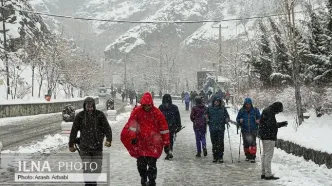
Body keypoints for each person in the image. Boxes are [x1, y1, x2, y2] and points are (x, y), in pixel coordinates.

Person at [121, 92, 170, 186]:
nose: (147, 107)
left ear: (151, 104)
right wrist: (133, 137)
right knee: (141, 165)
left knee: (152, 165)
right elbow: (132, 125)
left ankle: (152, 181)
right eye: (145, 105)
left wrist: (166, 143)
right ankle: (143, 177)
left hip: (154, 144)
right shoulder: (137, 112)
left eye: (148, 105)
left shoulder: (157, 113)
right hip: (141, 144)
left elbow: (164, 128)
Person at [69, 97, 112, 186]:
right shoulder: (80, 116)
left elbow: (107, 128)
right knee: (87, 167)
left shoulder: (99, 115)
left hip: (97, 146)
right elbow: (74, 130)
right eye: (88, 107)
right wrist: (71, 144)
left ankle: (93, 181)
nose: (90, 109)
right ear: (85, 106)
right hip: (84, 147)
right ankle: (89, 183)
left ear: (94, 106)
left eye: (91, 106)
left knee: (97, 168)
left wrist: (109, 139)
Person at [259, 102, 287, 180]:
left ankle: (264, 173)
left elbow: (268, 124)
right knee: (268, 155)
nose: (278, 112)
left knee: (264, 155)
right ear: (277, 108)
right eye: (278, 111)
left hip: (265, 136)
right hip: (269, 137)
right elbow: (271, 125)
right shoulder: (270, 112)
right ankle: (268, 174)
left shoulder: (267, 110)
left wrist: (280, 124)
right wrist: (281, 124)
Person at [206, 96, 230, 163]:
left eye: (218, 101)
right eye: (215, 101)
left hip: (221, 128)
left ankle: (220, 156)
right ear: (213, 101)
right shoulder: (210, 108)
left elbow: (227, 115)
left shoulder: (222, 108)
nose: (216, 102)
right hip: (212, 128)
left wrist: (227, 119)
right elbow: (205, 115)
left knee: (220, 142)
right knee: (214, 143)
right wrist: (206, 118)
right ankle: (215, 156)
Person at [236, 98, 260, 163]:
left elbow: (259, 118)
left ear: (251, 104)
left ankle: (253, 156)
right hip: (245, 129)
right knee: (246, 143)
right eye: (246, 104)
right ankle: (247, 155)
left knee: (253, 143)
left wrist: (258, 121)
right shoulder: (241, 111)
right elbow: (237, 119)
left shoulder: (255, 110)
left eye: (249, 104)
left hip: (253, 129)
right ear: (244, 104)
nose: (247, 105)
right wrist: (239, 120)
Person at [159, 94, 182, 160]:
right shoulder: (174, 107)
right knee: (170, 139)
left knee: (165, 139)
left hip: (163, 126)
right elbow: (178, 117)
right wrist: (179, 125)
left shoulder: (161, 107)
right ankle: (170, 150)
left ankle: (167, 151)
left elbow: (157, 117)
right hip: (172, 126)